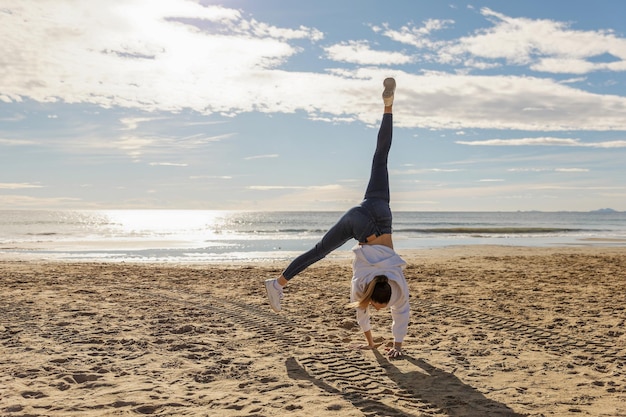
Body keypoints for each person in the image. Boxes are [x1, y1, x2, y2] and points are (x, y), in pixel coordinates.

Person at [265, 78, 409, 358]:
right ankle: (277, 283)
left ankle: (388, 107)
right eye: (380, 308)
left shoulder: (397, 285)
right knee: (320, 250)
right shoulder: (361, 287)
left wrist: (379, 344)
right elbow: (372, 315)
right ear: (375, 298)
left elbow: (396, 313)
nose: (377, 310)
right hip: (362, 225)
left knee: (381, 156)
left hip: (378, 208)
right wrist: (396, 346)